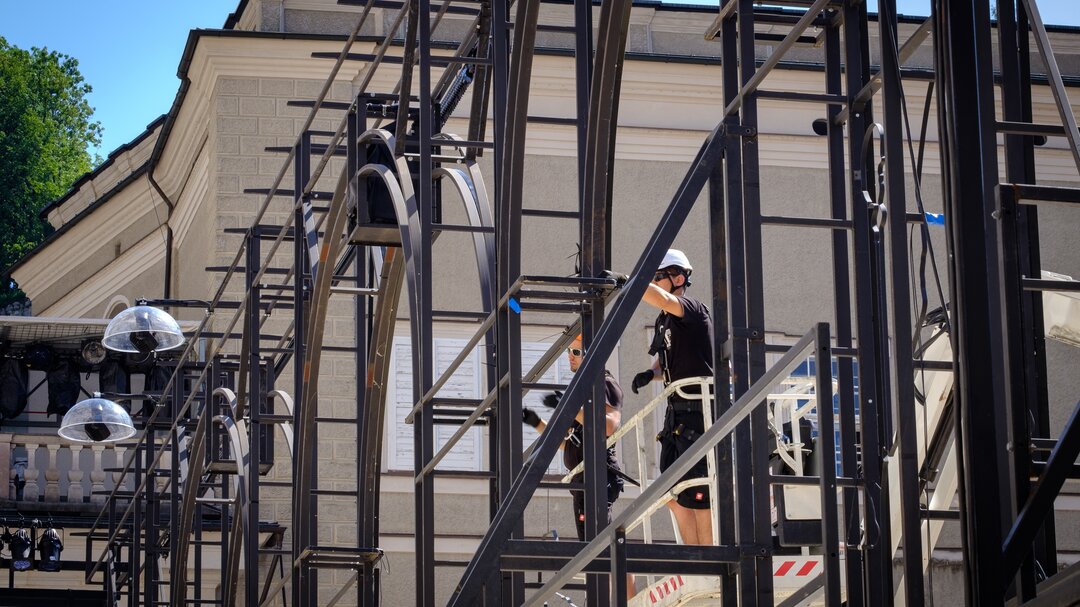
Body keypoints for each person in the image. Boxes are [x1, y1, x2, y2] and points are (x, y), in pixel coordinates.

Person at [522, 334, 636, 596]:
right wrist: (536, 422)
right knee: (594, 549)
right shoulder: (582, 391)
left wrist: (568, 406)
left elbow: (609, 426)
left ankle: (631, 601)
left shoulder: (604, 383)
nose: (570, 357)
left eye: (575, 351)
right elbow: (568, 444)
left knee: (606, 546)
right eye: (569, 352)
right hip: (581, 481)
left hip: (597, 476)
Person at [631, 249, 714, 546]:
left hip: (697, 411)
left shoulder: (691, 309)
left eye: (657, 277)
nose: (653, 283)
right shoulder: (664, 320)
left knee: (699, 490)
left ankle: (708, 557)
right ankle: (695, 555)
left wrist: (631, 283)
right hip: (676, 411)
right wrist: (650, 374)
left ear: (678, 278)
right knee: (671, 492)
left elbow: (664, 299)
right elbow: (666, 358)